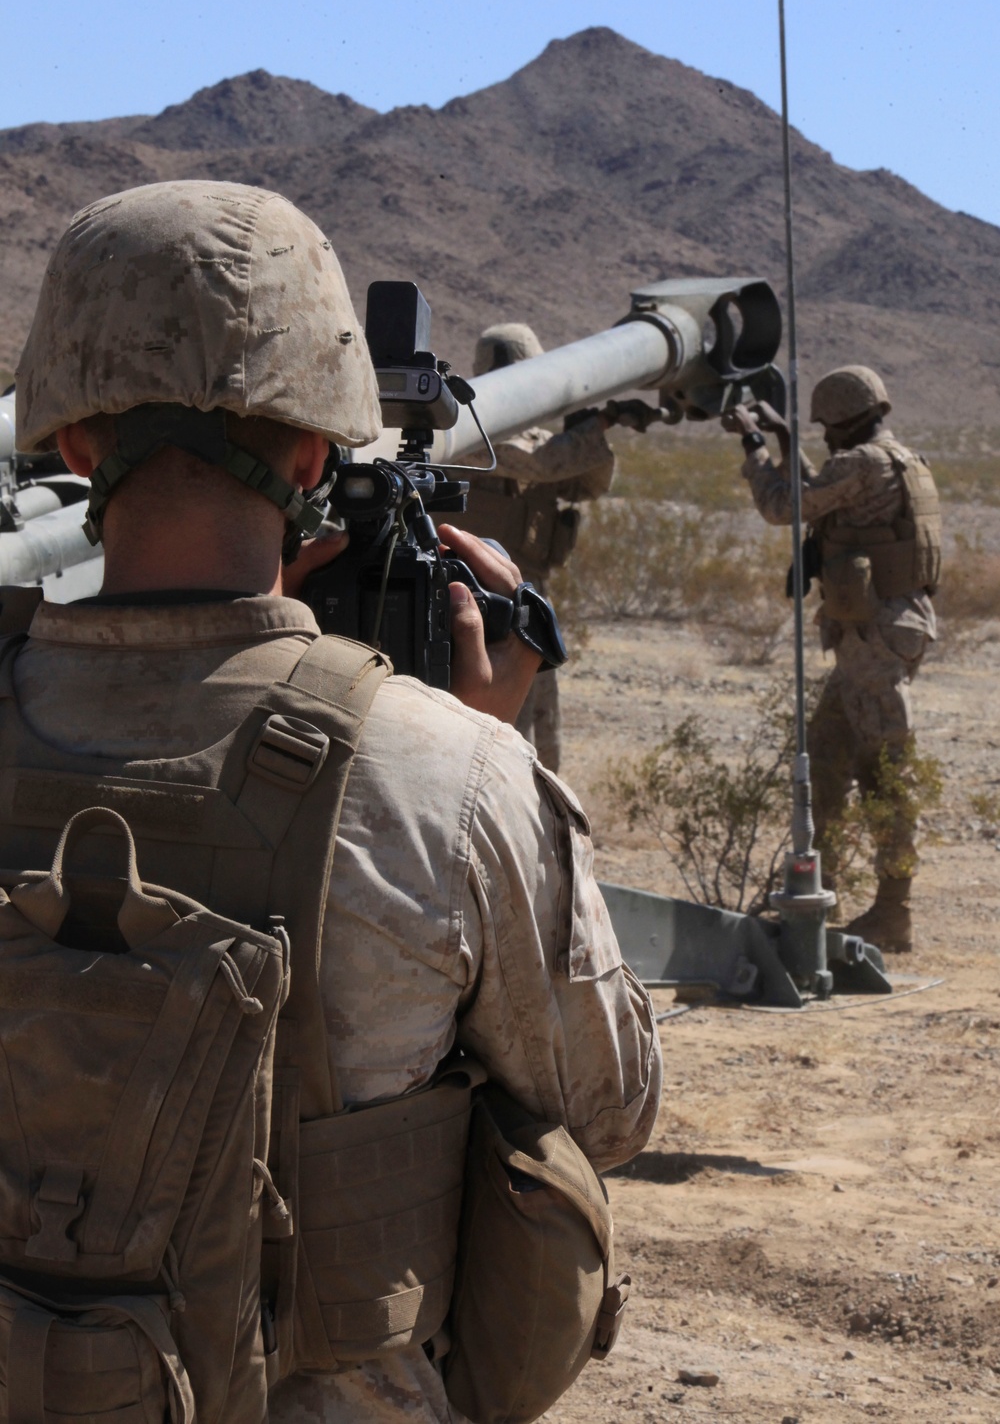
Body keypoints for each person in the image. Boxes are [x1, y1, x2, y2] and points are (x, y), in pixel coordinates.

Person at [7, 180, 661, 1423]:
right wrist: (480, 756)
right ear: (314, 454)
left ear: (77, 446)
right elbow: (608, 1108)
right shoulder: (444, 771)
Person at [722, 366, 941, 954]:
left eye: (825, 429)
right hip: (875, 636)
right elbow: (823, 495)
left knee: (882, 770)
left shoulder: (862, 462)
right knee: (826, 756)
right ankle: (823, 886)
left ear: (844, 422)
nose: (825, 440)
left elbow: (784, 505)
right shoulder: (899, 459)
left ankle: (895, 911)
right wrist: (787, 439)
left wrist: (753, 444)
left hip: (873, 641)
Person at [438, 322, 659, 771]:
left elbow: (589, 483)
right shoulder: (470, 432)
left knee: (540, 716)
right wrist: (598, 424)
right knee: (482, 717)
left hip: (528, 593)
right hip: (470, 591)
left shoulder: (542, 440)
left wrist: (587, 431)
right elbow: (540, 463)